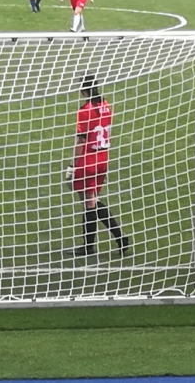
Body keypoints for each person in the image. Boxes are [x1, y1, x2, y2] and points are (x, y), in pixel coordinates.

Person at [64, 74, 130, 258]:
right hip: (103, 159)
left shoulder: (84, 111)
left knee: (89, 202)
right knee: (91, 200)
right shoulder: (106, 106)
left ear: (83, 90)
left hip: (88, 161)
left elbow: (81, 140)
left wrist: (72, 165)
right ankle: (111, 239)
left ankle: (98, 243)